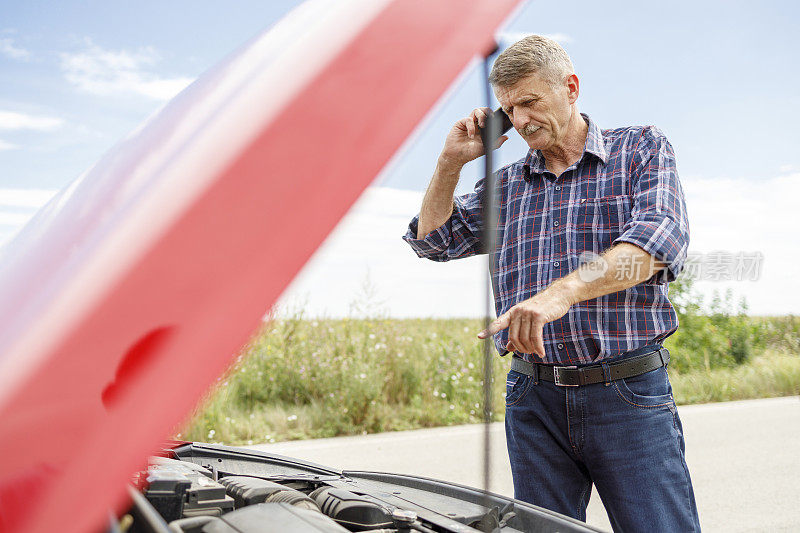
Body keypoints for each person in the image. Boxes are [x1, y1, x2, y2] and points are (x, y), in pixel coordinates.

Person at [402, 35, 701, 532]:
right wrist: (450, 162)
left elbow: (656, 246)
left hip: (626, 393)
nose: (519, 121)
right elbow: (434, 241)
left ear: (570, 87)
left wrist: (558, 295)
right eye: (509, 109)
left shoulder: (640, 148)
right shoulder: (506, 184)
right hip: (532, 399)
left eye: (530, 102)